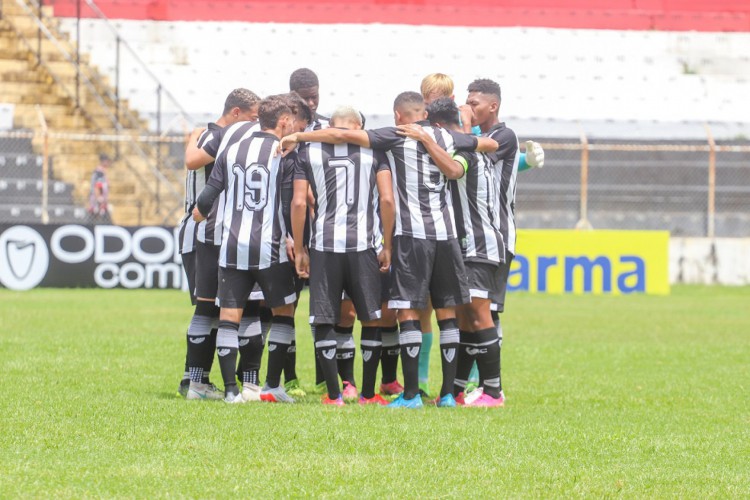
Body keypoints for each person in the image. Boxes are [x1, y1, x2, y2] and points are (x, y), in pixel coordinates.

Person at [280, 91, 498, 409]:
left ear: (399, 116)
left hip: (409, 235)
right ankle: (449, 394)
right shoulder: (450, 136)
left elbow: (339, 136)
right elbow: (488, 145)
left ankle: (407, 395)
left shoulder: (394, 137)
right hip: (447, 235)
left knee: (406, 311)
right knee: (446, 312)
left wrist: (299, 135)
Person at [193, 95, 299, 404]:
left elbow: (208, 196)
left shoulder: (233, 150)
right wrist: (295, 239)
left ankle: (230, 391)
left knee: (229, 317)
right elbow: (290, 200)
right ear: (282, 122)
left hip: (232, 245)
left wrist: (198, 213)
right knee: (283, 313)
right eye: (290, 120)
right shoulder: (284, 151)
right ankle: (272, 387)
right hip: (271, 246)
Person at [291, 105, 395, 405]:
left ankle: (334, 396)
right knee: (371, 320)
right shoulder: (375, 152)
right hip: (363, 245)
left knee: (325, 319)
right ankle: (366, 394)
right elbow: (387, 200)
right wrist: (387, 245)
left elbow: (299, 203)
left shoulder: (307, 152)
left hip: (324, 246)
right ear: (359, 126)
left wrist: (300, 249)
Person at [410, 97, 506, 407]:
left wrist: (425, 139)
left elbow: (452, 170)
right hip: (473, 244)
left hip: (477, 244)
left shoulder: (465, 153)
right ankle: (457, 389)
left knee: (479, 315)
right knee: (465, 318)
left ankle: (493, 391)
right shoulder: (474, 150)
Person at [180, 88, 261, 401]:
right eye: (253, 117)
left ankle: (195, 381)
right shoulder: (225, 137)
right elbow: (191, 161)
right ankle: (201, 381)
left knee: (211, 309)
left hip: (206, 229)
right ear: (237, 113)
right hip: (212, 229)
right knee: (226, 308)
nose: (256, 125)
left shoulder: (205, 134)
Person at [87, 153, 111, 223]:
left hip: (99, 201)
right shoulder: (99, 172)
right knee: (96, 219)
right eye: (107, 161)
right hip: (98, 202)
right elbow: (97, 186)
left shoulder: (101, 171)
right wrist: (99, 198)